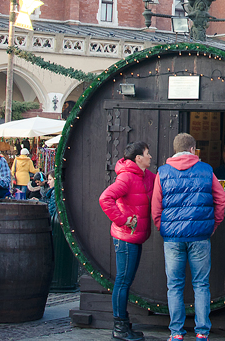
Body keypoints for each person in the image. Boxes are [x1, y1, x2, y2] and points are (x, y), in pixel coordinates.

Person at [152, 133, 225, 341]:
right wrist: (213, 225)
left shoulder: (163, 172)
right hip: (200, 238)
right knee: (201, 284)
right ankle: (202, 331)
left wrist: (164, 227)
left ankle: (176, 333)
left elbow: (156, 206)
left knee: (174, 284)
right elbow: (222, 200)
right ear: (194, 149)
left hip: (173, 239)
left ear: (175, 150)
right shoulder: (206, 170)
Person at [99, 141, 156, 341]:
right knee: (122, 282)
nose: (150, 157)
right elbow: (105, 198)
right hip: (125, 238)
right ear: (138, 158)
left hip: (136, 237)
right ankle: (120, 329)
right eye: (147, 154)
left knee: (125, 281)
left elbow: (160, 183)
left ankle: (124, 325)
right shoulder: (126, 178)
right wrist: (123, 220)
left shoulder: (146, 176)